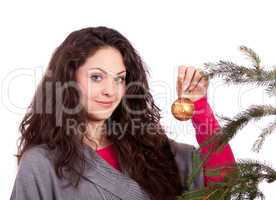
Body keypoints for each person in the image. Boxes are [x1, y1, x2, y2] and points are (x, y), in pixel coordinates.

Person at [10, 26, 235, 200]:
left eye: (119, 78)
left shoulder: (151, 149)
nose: (110, 91)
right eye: (96, 77)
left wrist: (200, 108)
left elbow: (223, 181)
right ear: (69, 79)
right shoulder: (41, 164)